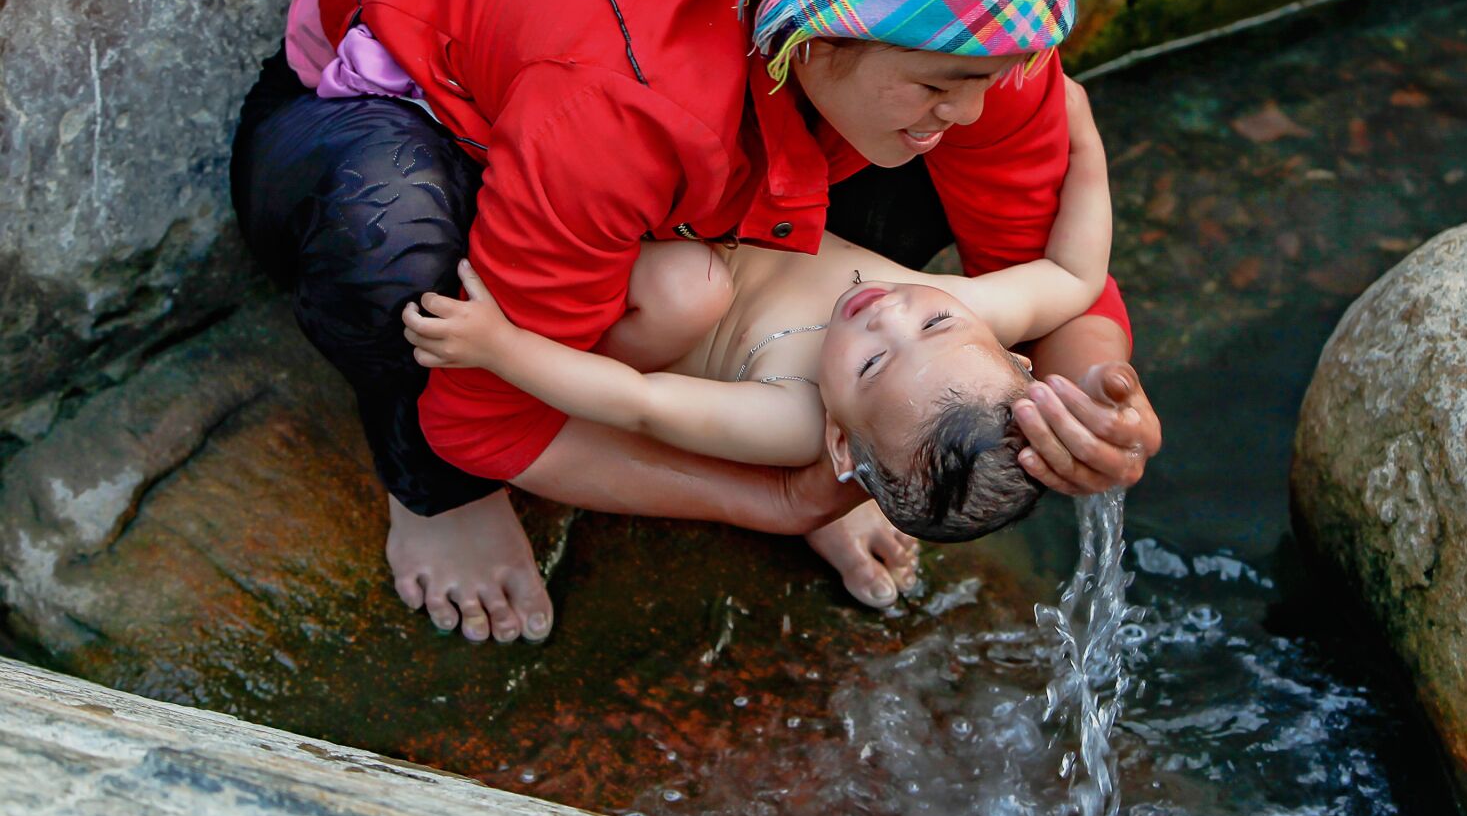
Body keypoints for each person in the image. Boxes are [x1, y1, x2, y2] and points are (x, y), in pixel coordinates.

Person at [230, 0, 1162, 645]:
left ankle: (855, 398)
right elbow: (490, 412)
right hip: (410, 120)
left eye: (1004, 77)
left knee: (881, 175)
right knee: (392, 245)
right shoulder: (628, 101)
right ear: (813, 30)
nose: (979, 106)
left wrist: (1093, 404)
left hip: (681, 189)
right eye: (943, 84)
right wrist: (787, 502)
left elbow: (1050, 262)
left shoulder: (967, 27)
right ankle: (432, 496)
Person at [399, 73, 1113, 582]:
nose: (888, 313)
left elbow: (636, 404)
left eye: (870, 365)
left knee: (689, 291)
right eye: (932, 318)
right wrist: (1079, 137)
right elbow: (1075, 275)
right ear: (1017, 361)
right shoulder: (976, 318)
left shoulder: (789, 419)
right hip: (739, 224)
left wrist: (503, 348)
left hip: (644, 323)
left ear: (838, 438)